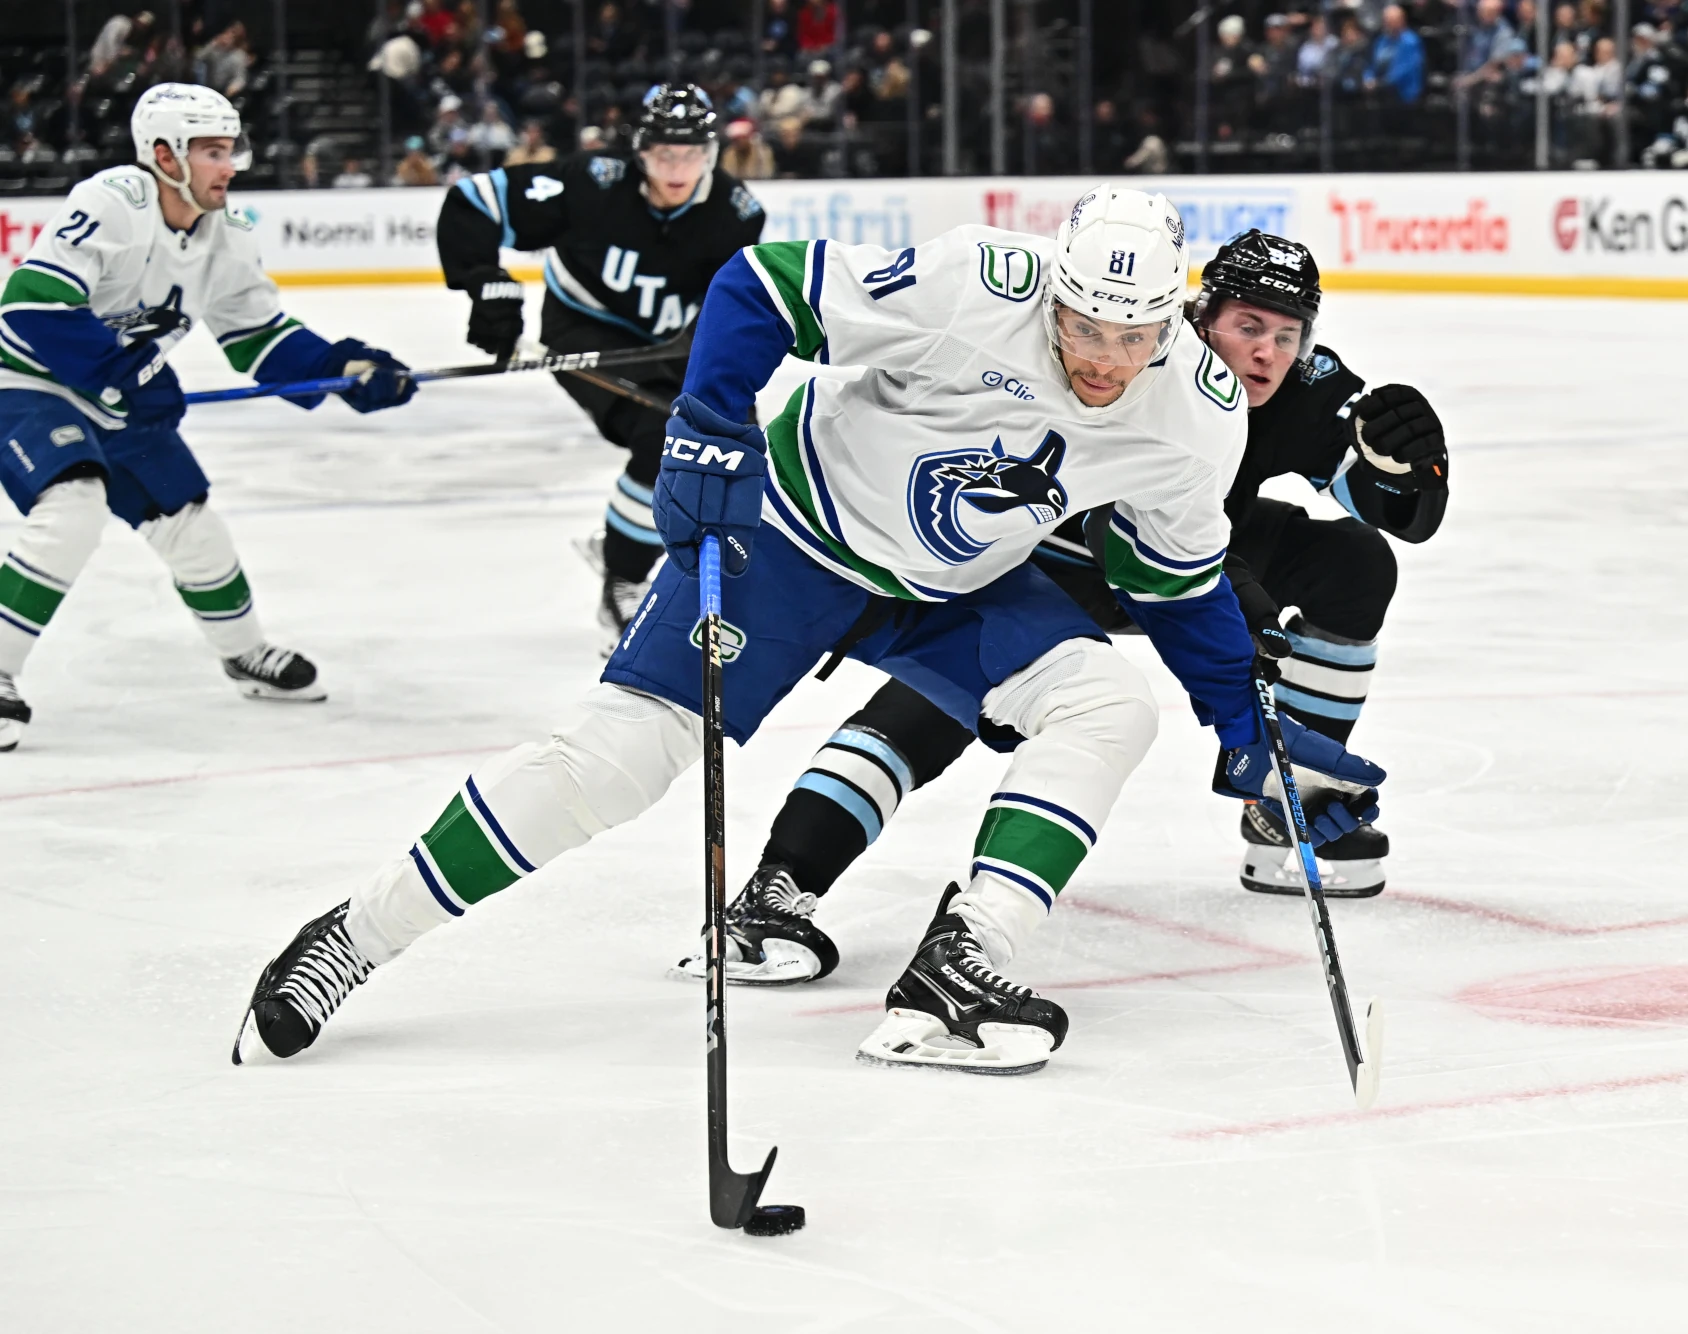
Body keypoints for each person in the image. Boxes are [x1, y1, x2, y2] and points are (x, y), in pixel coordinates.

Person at [232, 189, 1388, 1077]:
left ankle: (960, 961)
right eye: (1081, 328)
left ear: (1169, 325)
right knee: (616, 762)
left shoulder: (1196, 410)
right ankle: (355, 933)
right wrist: (707, 424)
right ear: (1054, 294)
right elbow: (759, 285)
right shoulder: (975, 279)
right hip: (792, 528)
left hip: (949, 585)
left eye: (1127, 343)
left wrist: (1242, 725)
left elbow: (1172, 581)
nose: (1098, 362)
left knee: (1108, 701)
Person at [696, 227, 1448, 986]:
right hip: (1046, 550)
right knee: (937, 703)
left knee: (1356, 562)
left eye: (1287, 336)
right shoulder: (1137, 357)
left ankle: (1285, 801)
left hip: (1185, 555)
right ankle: (784, 879)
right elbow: (1109, 523)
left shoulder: (1306, 385)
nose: (1266, 353)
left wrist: (1415, 462)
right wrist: (1235, 592)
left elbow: (1408, 514)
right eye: (1247, 326)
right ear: (1196, 314)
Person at [0, 84, 417, 753]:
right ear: (163, 154)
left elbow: (257, 336)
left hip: (115, 395)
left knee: (189, 524)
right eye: (213, 152)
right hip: (26, 381)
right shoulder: (112, 202)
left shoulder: (228, 234)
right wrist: (131, 375)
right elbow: (32, 307)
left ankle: (244, 654)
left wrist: (345, 370)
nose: (231, 166)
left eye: (232, 149)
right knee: (73, 505)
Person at [437, 85, 766, 652]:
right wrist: (485, 282)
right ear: (640, 151)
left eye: (691, 154)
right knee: (662, 437)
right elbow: (474, 201)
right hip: (584, 331)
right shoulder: (592, 182)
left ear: (711, 154)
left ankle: (683, 558)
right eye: (665, 154)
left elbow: (730, 302)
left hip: (670, 344)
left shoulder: (737, 214)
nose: (677, 168)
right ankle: (625, 572)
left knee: (733, 446)